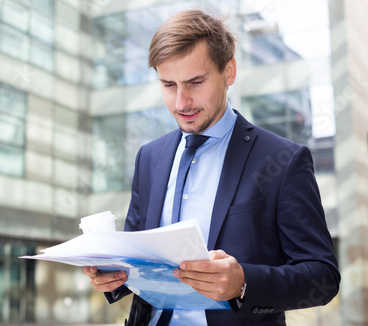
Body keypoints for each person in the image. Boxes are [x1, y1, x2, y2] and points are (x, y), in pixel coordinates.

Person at [82, 9, 340, 326]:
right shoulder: (149, 157)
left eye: (195, 82)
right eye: (168, 85)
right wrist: (114, 276)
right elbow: (136, 256)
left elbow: (323, 278)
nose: (181, 102)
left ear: (228, 72)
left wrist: (243, 283)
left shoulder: (283, 160)